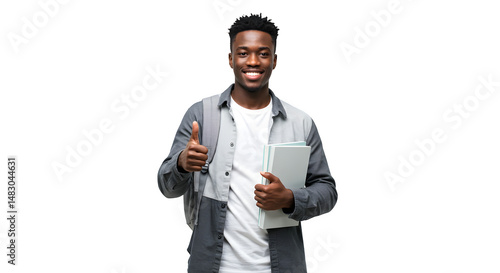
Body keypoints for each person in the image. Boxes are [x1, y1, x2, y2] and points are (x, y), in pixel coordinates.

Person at [158, 14, 338, 273]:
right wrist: (182, 165)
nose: (253, 61)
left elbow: (327, 191)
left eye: (263, 54)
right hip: (212, 265)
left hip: (281, 266)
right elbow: (166, 187)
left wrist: (290, 198)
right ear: (231, 59)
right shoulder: (201, 115)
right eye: (243, 53)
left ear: (274, 60)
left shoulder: (301, 123)